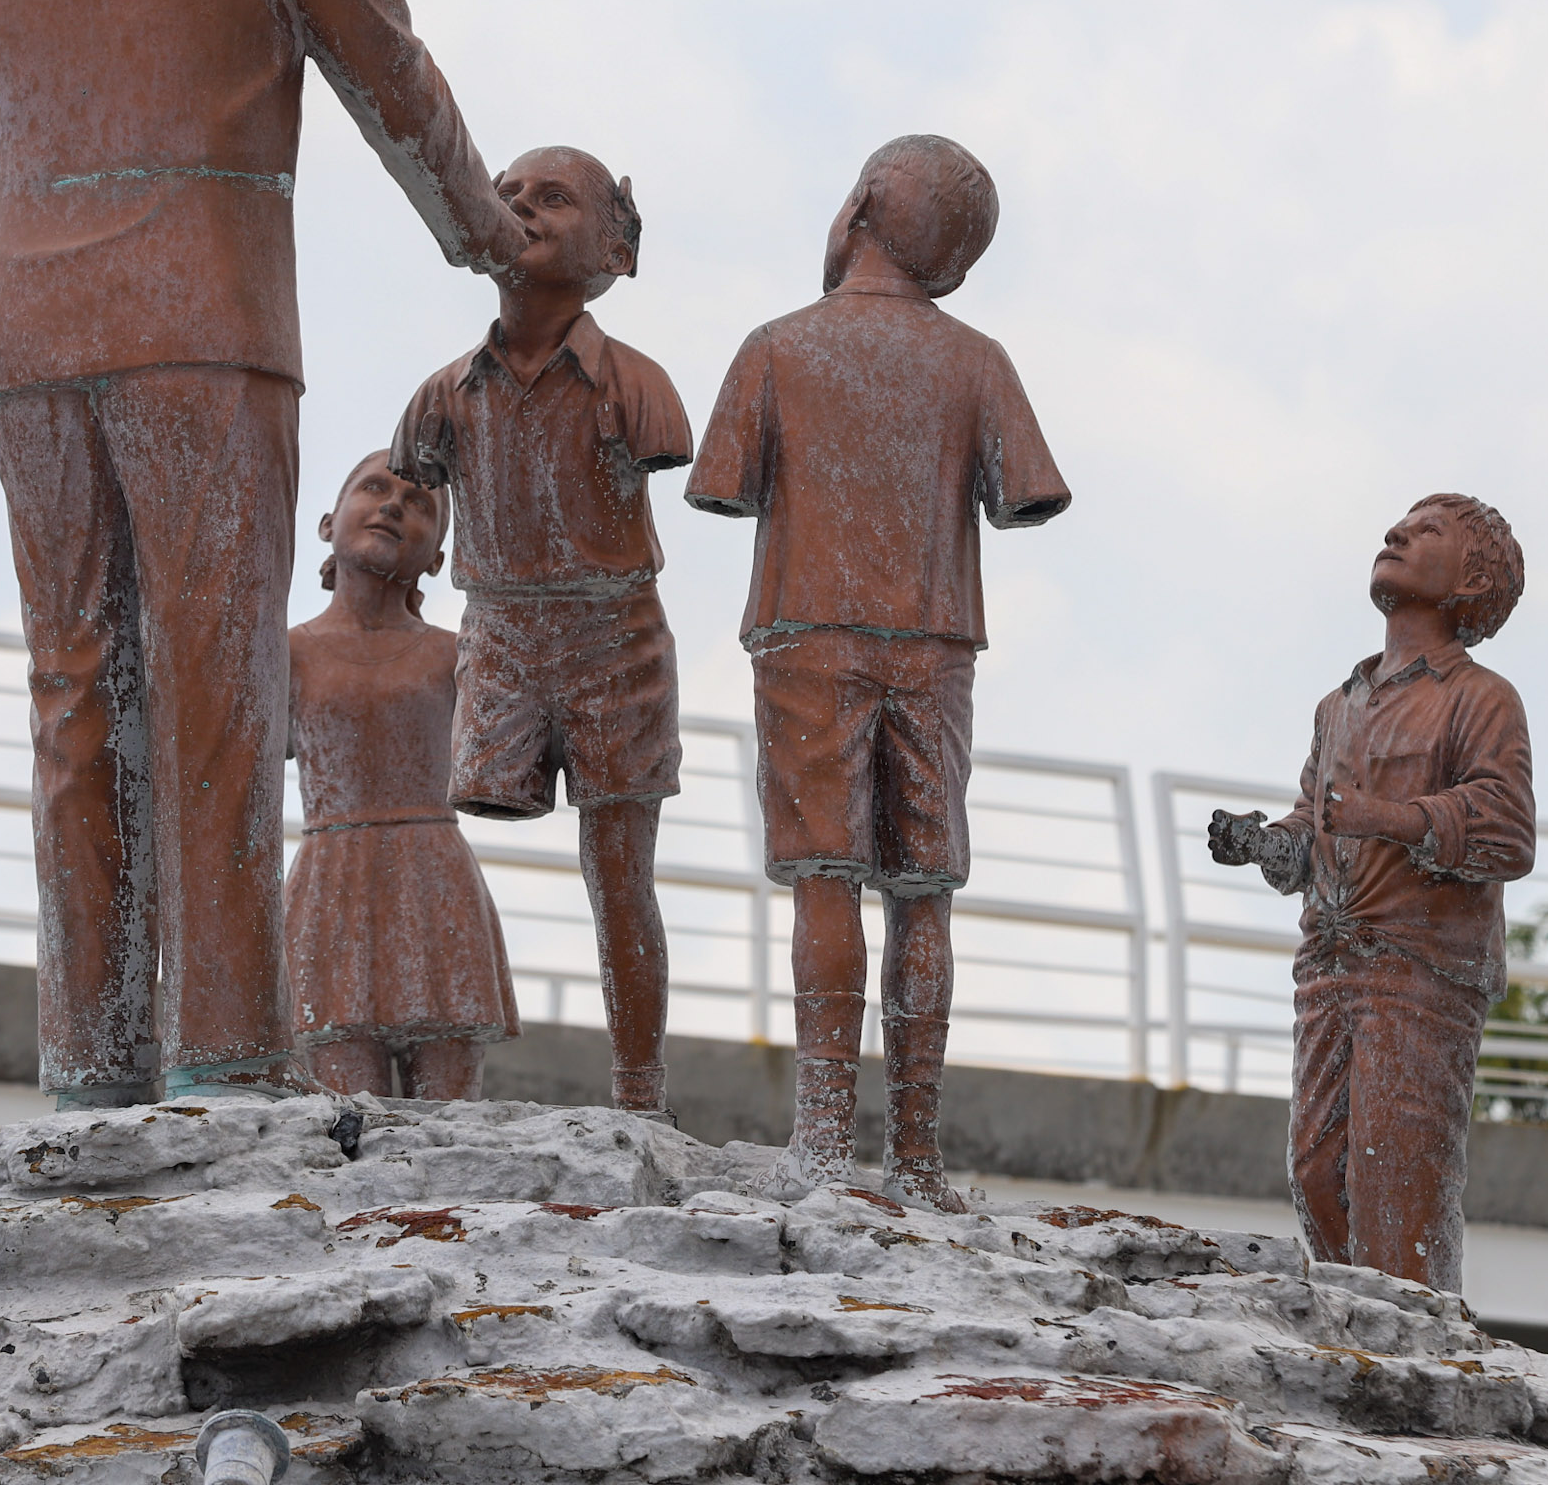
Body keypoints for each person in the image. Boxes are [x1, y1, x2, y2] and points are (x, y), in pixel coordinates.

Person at [0, 0, 520, 1108]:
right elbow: (395, 81)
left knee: (77, 681)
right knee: (215, 682)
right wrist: (490, 236)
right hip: (205, 325)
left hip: (26, 336)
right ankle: (218, 1056)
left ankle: (89, 1058)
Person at [685, 135, 1070, 1209]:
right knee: (925, 888)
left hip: (808, 632)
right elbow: (1026, 487)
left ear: (856, 203)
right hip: (936, 641)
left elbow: (724, 481)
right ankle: (915, 1154)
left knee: (825, 876)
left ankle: (817, 1140)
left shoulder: (774, 346)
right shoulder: (980, 359)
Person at [391, 148, 689, 1116]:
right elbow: (415, 476)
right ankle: (439, 1052)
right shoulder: (443, 396)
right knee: (457, 836)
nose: (524, 211)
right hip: (503, 637)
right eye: (509, 197)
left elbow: (668, 449)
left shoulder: (636, 387)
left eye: (554, 199)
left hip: (617, 641)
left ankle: (638, 1091)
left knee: (619, 877)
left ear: (618, 248)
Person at [1207, 495, 1533, 1292]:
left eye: (1427, 534)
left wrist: (1385, 818)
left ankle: (1417, 1358)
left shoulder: (1481, 698)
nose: (1395, 536)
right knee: (1318, 1173)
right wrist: (1266, 843)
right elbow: (1313, 829)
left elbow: (1507, 832)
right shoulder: (1339, 704)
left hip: (1419, 973)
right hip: (1329, 966)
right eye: (1399, 526)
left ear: (1471, 579)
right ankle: (1354, 1353)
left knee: (1397, 1184)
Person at [284, 453, 518, 1099]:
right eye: (375, 489)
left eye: (419, 504)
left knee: (450, 1120)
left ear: (438, 559)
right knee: (344, 1113)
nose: (392, 506)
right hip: (331, 884)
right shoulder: (287, 653)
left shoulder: (457, 654)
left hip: (435, 882)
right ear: (329, 523)